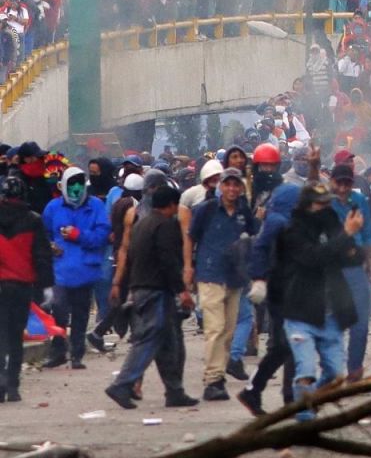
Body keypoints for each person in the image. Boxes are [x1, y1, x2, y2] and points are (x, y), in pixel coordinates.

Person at [103, 186, 200, 410]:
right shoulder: (165, 226)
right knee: (150, 339)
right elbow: (168, 261)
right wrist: (182, 290)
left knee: (168, 343)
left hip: (141, 288)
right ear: (172, 205)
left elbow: (130, 255)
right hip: (157, 290)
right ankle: (122, 383)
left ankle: (174, 391)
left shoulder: (141, 225)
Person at [277, 182, 364, 422]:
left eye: (328, 202)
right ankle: (304, 420)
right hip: (301, 312)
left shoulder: (332, 223)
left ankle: (309, 402)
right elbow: (312, 258)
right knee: (305, 371)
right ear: (307, 206)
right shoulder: (292, 231)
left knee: (336, 376)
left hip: (331, 313)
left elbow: (351, 257)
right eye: (320, 203)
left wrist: (354, 245)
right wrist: (345, 235)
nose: (326, 207)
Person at [188, 167, 256, 401]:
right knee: (214, 328)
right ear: (220, 186)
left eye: (236, 185)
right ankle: (213, 380)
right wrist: (188, 267)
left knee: (228, 330)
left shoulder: (243, 211)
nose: (232, 189)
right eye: (228, 184)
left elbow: (254, 236)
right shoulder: (206, 210)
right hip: (209, 275)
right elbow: (190, 238)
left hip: (235, 278)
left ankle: (219, 372)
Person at [237, 185, 301, 417]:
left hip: (287, 290)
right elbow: (261, 251)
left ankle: (284, 396)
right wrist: (259, 279)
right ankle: (261, 392)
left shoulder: (283, 223)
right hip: (280, 292)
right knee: (286, 345)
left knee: (288, 345)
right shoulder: (278, 224)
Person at [42, 167, 111, 370]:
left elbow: (102, 237)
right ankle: (58, 352)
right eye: (71, 185)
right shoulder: (53, 208)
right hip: (60, 271)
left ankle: (77, 355)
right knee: (59, 313)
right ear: (63, 186)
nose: (76, 189)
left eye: (80, 184)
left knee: (81, 314)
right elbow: (43, 234)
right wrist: (50, 246)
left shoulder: (96, 206)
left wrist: (78, 235)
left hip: (85, 270)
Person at [0, 174, 53, 402]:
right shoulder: (33, 220)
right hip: (22, 287)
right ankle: (13, 387)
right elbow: (42, 256)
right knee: (15, 337)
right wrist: (47, 286)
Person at [330, 163, 371, 380]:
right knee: (333, 323)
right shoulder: (325, 205)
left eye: (347, 183)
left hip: (357, 268)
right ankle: (332, 370)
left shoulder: (359, 201)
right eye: (339, 183)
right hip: (332, 270)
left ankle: (355, 368)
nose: (342, 188)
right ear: (332, 182)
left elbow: (368, 234)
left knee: (360, 322)